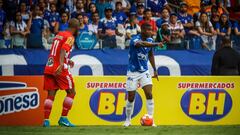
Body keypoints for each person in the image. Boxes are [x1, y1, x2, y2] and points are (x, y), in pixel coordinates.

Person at [123, 23, 162, 127]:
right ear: (143, 30)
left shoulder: (150, 40)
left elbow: (150, 54)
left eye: (152, 30)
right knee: (131, 97)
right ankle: (128, 120)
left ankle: (150, 119)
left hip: (144, 71)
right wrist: (157, 44)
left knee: (149, 94)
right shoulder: (134, 39)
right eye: (149, 30)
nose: (151, 32)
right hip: (133, 71)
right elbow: (142, 44)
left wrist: (154, 69)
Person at [43, 18, 79, 127]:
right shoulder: (70, 37)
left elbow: (57, 51)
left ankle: (46, 121)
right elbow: (63, 49)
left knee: (51, 95)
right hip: (60, 67)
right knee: (71, 92)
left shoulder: (59, 34)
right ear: (75, 28)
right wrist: (62, 63)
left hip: (49, 65)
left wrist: (68, 60)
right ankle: (63, 118)